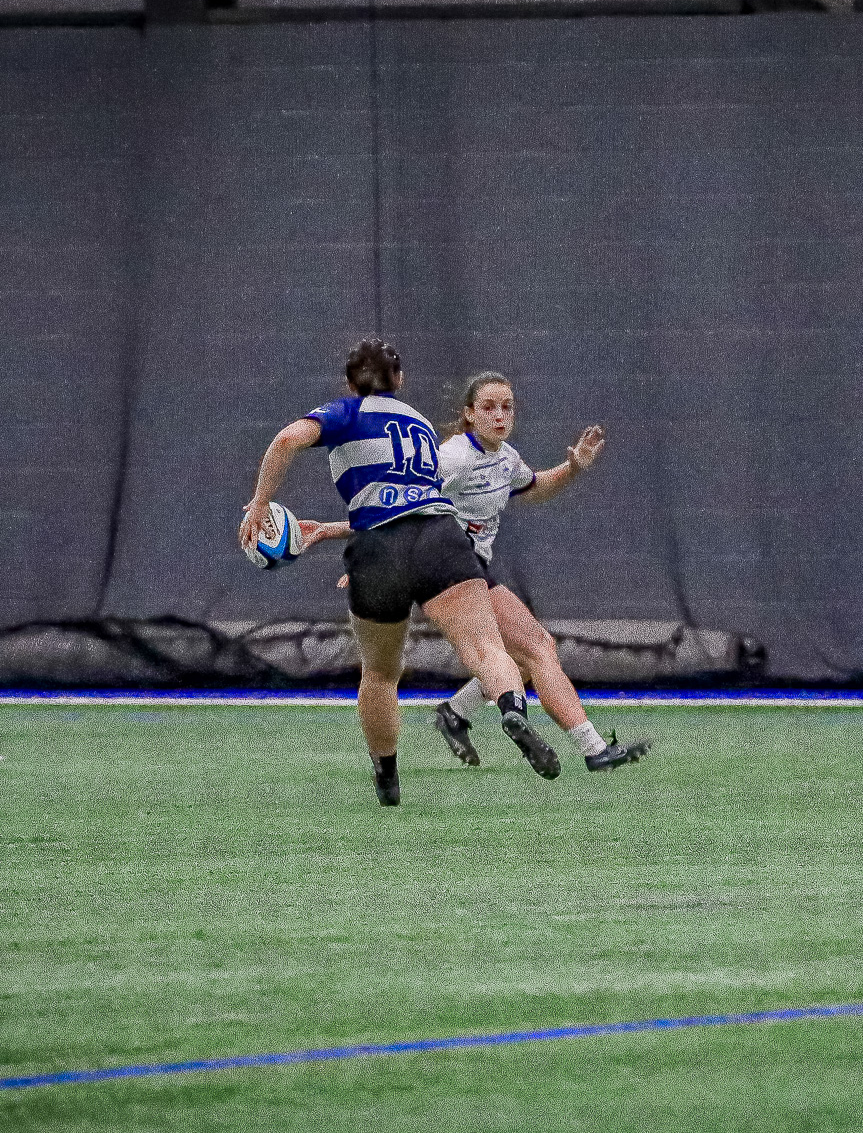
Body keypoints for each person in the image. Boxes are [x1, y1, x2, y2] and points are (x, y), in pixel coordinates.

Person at [239, 339, 560, 806]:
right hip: (440, 536)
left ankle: (387, 778)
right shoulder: (423, 427)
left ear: (350, 383)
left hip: (377, 548)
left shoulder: (346, 412)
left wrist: (262, 502)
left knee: (381, 671)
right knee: (485, 647)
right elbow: (413, 502)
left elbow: (288, 440)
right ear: (401, 381)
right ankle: (511, 709)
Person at [426, 372, 649, 772]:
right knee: (534, 648)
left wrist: (573, 466)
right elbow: (405, 500)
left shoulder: (505, 457)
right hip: (441, 567)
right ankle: (593, 748)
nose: (499, 415)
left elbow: (533, 488)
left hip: (472, 569)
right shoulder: (454, 457)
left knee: (529, 654)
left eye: (507, 407)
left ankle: (455, 714)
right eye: (489, 407)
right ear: (469, 415)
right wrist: (376, 560)